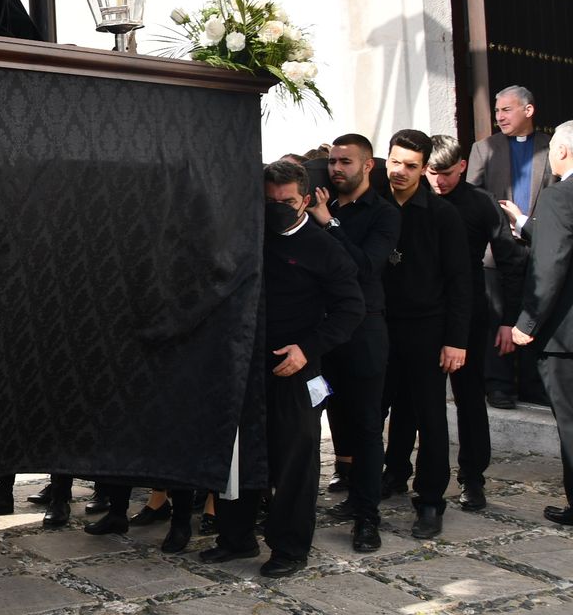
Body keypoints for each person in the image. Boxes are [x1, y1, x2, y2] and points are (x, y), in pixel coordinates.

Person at [201, 161, 362, 577]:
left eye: (286, 202)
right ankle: (235, 538)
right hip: (244, 367)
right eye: (269, 201)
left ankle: (290, 549)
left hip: (296, 370)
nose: (277, 209)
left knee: (295, 462)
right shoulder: (248, 238)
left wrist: (307, 350)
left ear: (305, 200)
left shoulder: (324, 248)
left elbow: (350, 309)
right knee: (239, 456)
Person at [396, 135, 526, 512]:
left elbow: (510, 261)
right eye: (432, 173)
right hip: (418, 313)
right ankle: (397, 470)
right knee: (410, 397)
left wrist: (509, 320)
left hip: (467, 314)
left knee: (469, 398)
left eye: (447, 174)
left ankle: (472, 477)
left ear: (462, 167)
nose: (439, 181)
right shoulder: (410, 199)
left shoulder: (480, 203)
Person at [309, 133, 400, 551]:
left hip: (364, 332)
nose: (336, 168)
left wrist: (329, 223)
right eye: (332, 161)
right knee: (312, 421)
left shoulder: (383, 214)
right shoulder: (317, 204)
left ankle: (367, 517)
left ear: (368, 166)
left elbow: (364, 266)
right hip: (319, 332)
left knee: (365, 426)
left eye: (345, 161)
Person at [379, 130, 471, 539]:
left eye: (410, 166)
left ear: (423, 169)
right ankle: (386, 476)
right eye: (395, 162)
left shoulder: (442, 215)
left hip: (428, 329)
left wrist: (456, 340)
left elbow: (460, 281)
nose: (400, 172)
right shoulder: (374, 204)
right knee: (379, 409)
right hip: (380, 325)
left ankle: (431, 500)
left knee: (431, 417)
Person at [468, 84, 554, 409]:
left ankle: (533, 386)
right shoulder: (484, 148)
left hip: (539, 245)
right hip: (496, 251)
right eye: (497, 111)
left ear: (528, 111)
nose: (499, 117)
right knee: (497, 316)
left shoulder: (551, 147)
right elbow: (472, 195)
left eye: (506, 110)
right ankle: (499, 386)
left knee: (537, 314)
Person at [511, 120, 573, 525]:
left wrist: (526, 323)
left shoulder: (557, 196)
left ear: (562, 151)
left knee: (571, 423)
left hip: (566, 337)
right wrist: (526, 225)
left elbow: (550, 265)